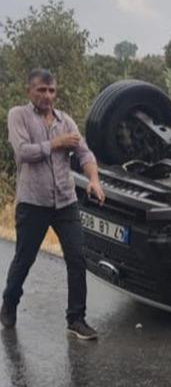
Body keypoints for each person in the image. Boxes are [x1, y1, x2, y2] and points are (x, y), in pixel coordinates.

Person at [0, 68, 105, 340]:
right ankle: (9, 304)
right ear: (29, 91)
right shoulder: (18, 115)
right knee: (25, 259)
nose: (48, 95)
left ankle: (76, 319)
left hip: (65, 202)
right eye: (41, 90)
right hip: (33, 203)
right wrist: (56, 143)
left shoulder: (66, 121)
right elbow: (23, 152)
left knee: (77, 257)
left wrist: (94, 179)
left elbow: (85, 152)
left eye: (51, 90)